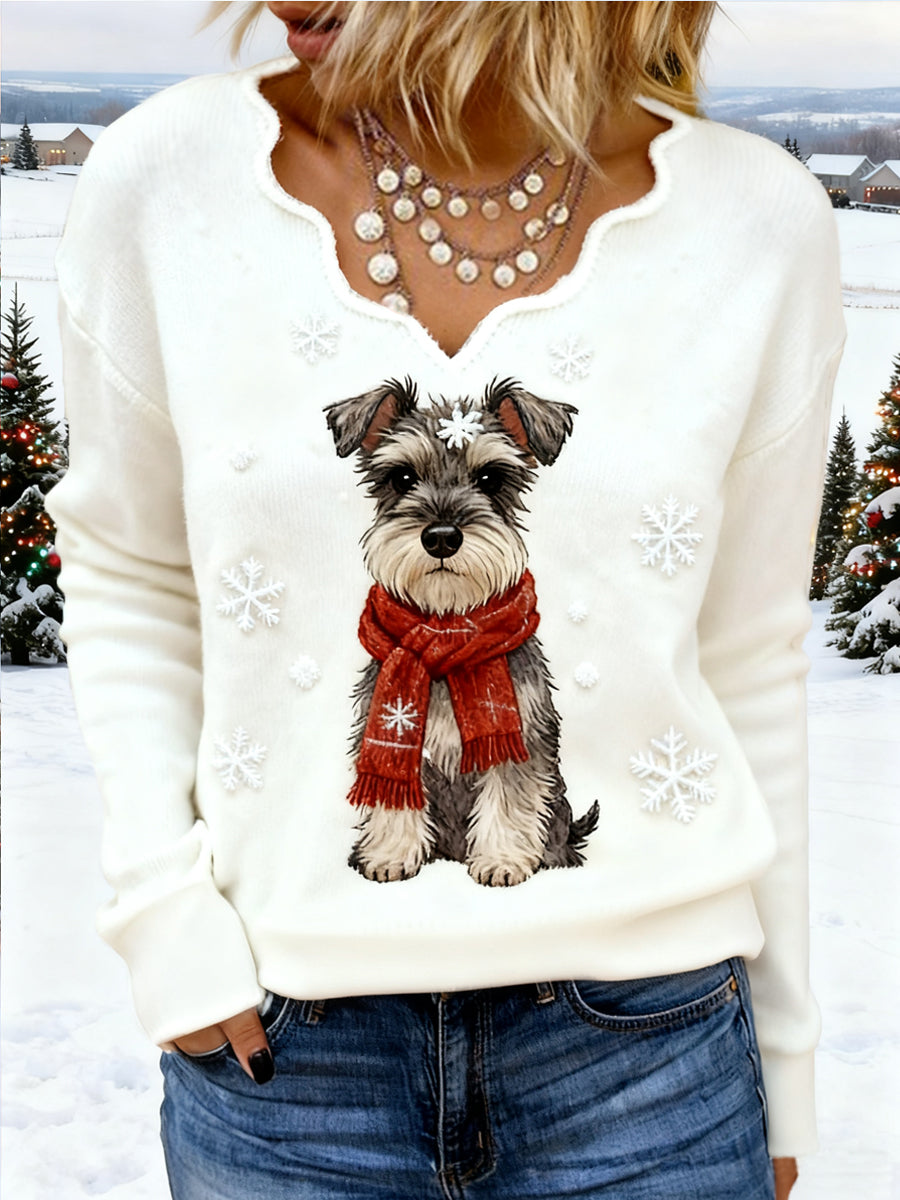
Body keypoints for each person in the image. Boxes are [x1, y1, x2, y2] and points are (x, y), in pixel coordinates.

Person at [45, 2, 845, 1197]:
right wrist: (164, 921)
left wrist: (785, 1058)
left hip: (648, 1063)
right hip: (285, 1061)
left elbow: (747, 660)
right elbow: (132, 569)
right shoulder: (165, 179)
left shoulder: (759, 222)